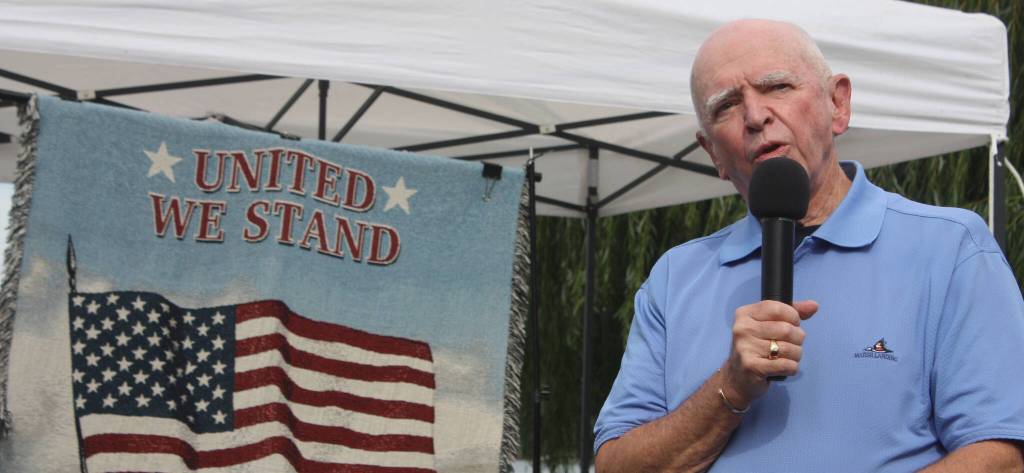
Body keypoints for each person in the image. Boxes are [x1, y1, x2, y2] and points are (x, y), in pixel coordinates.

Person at [593, 19, 1024, 472]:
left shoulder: (950, 248)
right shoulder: (674, 278)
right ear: (712, 154)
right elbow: (615, 466)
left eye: (777, 86)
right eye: (726, 105)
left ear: (838, 104)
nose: (755, 116)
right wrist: (730, 388)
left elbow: (1002, 456)